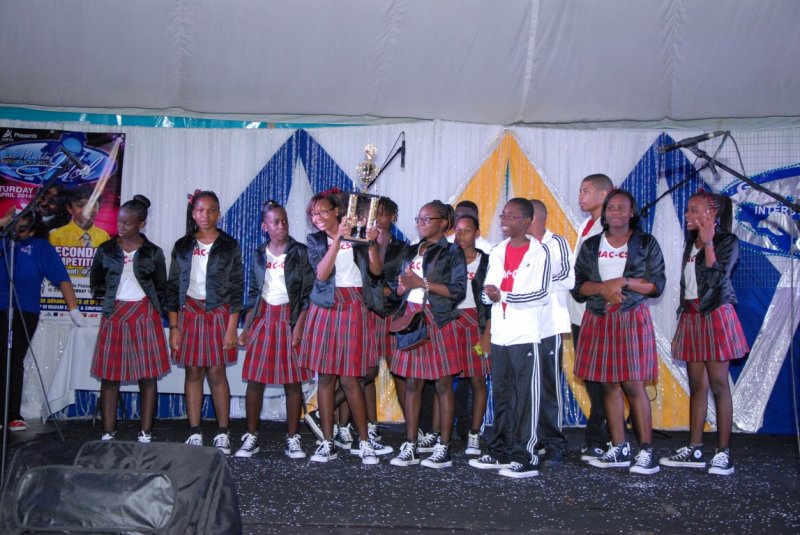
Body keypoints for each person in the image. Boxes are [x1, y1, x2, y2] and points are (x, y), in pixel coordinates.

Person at [572, 189, 665, 475]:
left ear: (632, 212)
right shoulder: (591, 245)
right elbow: (578, 286)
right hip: (599, 317)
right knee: (608, 385)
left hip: (630, 317)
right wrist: (604, 289)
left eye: (622, 208)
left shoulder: (646, 243)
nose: (615, 212)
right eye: (611, 207)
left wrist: (623, 282)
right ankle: (620, 447)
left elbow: (656, 285)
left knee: (633, 385)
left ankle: (646, 451)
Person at [660, 191, 748, 476]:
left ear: (712, 213)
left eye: (694, 210)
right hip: (692, 316)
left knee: (719, 385)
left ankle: (723, 453)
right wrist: (681, 320)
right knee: (698, 386)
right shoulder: (691, 243)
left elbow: (715, 280)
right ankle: (695, 447)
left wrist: (709, 243)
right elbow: (688, 286)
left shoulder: (726, 241)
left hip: (714, 314)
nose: (687, 215)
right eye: (687, 209)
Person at [299, 190, 385, 465]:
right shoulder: (315, 241)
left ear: (337, 211)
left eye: (323, 211)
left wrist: (371, 243)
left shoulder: (358, 234)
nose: (317, 217)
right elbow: (322, 273)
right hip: (325, 307)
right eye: (313, 213)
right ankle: (327, 441)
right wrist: (337, 239)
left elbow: (376, 271)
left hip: (353, 305)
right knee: (325, 377)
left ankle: (364, 442)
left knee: (350, 378)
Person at [468, 198, 550, 478]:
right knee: (501, 394)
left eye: (512, 216)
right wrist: (489, 295)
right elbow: (488, 292)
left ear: (527, 221)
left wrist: (504, 295)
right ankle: (500, 450)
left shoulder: (539, 252)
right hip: (501, 333)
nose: (505, 220)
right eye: (503, 215)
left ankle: (526, 455)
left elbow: (541, 294)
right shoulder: (497, 251)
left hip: (525, 333)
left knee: (526, 396)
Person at [389, 200, 466, 469]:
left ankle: (443, 447)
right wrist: (401, 288)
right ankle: (410, 444)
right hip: (412, 318)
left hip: (438, 319)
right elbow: (399, 287)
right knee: (412, 383)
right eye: (419, 219)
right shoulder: (412, 250)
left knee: (443, 385)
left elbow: (457, 290)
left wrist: (421, 283)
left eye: (427, 219)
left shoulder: (452, 251)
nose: (421, 224)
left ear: (443, 223)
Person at [164, 190, 243, 453]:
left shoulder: (229, 245)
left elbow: (236, 288)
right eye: (200, 210)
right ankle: (195, 431)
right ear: (193, 213)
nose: (205, 215)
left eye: (211, 210)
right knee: (193, 371)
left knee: (217, 372)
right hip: (189, 312)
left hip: (219, 312)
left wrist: (232, 327)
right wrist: (174, 327)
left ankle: (223, 431)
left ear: (219, 213)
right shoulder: (183, 245)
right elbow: (173, 287)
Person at [235, 201, 314, 459]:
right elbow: (254, 292)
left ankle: (293, 438)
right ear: (264, 226)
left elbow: (307, 293)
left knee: (292, 382)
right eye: (276, 222)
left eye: (285, 221)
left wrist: (299, 327)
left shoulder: (300, 252)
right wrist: (247, 327)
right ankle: (251, 436)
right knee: (255, 380)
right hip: (264, 318)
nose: (282, 226)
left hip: (290, 319)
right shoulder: (259, 254)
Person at [89, 195, 170, 442]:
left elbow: (161, 287)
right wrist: (110, 299)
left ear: (141, 224)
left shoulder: (153, 253)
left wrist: (155, 308)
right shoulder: (105, 250)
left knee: (148, 375)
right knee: (110, 376)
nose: (120, 227)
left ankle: (145, 431)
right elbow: (96, 283)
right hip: (114, 314)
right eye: (119, 222)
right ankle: (107, 431)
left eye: (127, 223)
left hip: (145, 314)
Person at [0, 211, 87, 431]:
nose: (18, 231)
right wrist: (3, 223)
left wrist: (74, 311)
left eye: (22, 227)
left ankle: (11, 414)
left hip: (24, 312)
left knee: (13, 359)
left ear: (32, 228)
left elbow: (62, 279)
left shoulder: (39, 247)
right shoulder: (3, 242)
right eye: (14, 225)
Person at [567, 173, 616, 462]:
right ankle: (602, 435)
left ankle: (603, 438)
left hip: (596, 311)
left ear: (604, 194)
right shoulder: (587, 224)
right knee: (589, 376)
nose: (581, 196)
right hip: (579, 312)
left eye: (586, 191)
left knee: (601, 378)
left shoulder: (608, 228)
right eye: (580, 191)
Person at [527, 199, 574, 468]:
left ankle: (554, 443)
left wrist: (534, 284)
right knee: (525, 385)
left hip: (549, 326)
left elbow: (568, 278)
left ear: (535, 219)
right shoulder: (515, 245)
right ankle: (530, 440)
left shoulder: (557, 243)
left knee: (548, 385)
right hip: (522, 329)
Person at [451, 214, 491, 455]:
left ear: (477, 233)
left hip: (476, 327)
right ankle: (440, 433)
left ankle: (474, 434)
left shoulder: (487, 261)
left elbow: (492, 300)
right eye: (458, 230)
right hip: (451, 325)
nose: (461, 236)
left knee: (477, 379)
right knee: (443, 380)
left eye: (467, 231)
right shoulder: (447, 258)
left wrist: (487, 334)